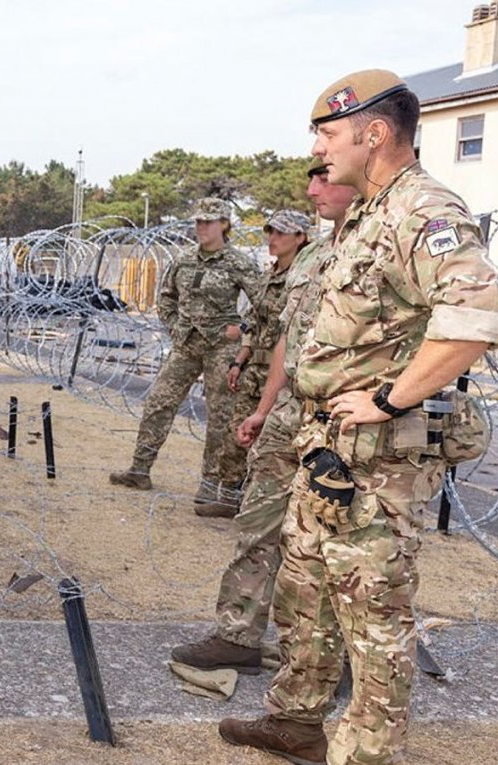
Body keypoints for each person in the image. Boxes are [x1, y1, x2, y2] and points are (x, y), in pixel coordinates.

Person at [220, 70, 498, 765]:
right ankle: (296, 721)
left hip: (378, 459)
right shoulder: (367, 213)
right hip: (330, 446)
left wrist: (389, 398)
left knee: (373, 621)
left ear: (373, 133)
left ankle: (366, 754)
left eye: (327, 132)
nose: (320, 147)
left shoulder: (423, 209)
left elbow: (474, 319)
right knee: (307, 594)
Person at [171, 165, 357, 674]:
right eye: (313, 178)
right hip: (288, 412)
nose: (313, 188)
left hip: (346, 421)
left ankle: (324, 659)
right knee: (257, 524)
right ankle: (238, 634)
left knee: (330, 543)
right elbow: (286, 336)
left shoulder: (386, 245)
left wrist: (383, 403)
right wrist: (262, 409)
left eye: (327, 176)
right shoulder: (314, 258)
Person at [109, 197, 262, 514]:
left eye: (208, 221)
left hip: (222, 348)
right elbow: (166, 299)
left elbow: (265, 306)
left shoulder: (239, 263)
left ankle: (210, 485)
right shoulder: (184, 260)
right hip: (186, 345)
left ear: (224, 224)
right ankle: (140, 469)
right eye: (198, 221)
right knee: (158, 403)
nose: (201, 227)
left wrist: (243, 328)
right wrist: (176, 328)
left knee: (219, 417)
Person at [198, 209, 313, 520]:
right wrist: (239, 359)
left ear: (300, 238)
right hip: (254, 370)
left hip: (283, 375)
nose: (272, 239)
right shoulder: (270, 274)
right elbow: (252, 321)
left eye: (280, 233)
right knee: (236, 435)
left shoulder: (304, 279)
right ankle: (229, 497)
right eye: (270, 232)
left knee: (272, 444)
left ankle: (261, 507)